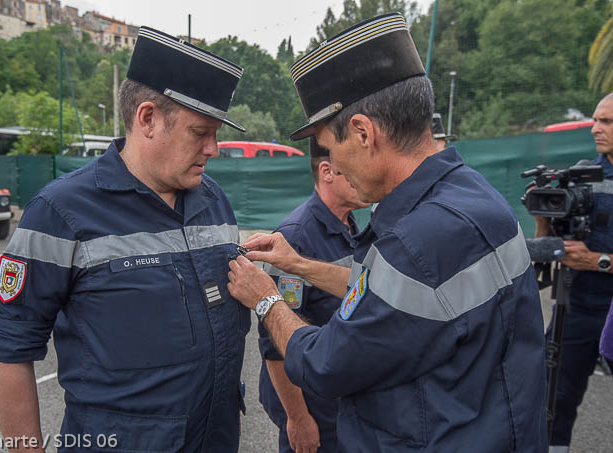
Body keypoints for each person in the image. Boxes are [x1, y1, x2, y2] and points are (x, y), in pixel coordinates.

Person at [226, 13, 548, 452]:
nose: (334, 167)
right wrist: (298, 265)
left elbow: (325, 364)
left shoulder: (416, 242)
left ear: (363, 133)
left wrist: (266, 298)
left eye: (331, 148)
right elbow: (398, 296)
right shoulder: (472, 195)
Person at [0, 26, 251, 452]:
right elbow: (9, 349)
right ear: (147, 119)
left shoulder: (214, 200)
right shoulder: (60, 212)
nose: (214, 149)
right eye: (200, 133)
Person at [258, 137, 368, 453]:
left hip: (338, 395)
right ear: (327, 171)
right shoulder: (296, 236)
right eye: (353, 165)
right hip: (312, 404)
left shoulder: (351, 224)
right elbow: (275, 342)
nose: (364, 172)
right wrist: (298, 418)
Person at [535, 93, 613, 453]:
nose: (596, 128)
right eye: (596, 120)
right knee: (552, 400)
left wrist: (598, 260)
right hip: (578, 305)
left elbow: (591, 258)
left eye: (606, 121)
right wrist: (542, 221)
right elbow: (548, 244)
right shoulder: (582, 176)